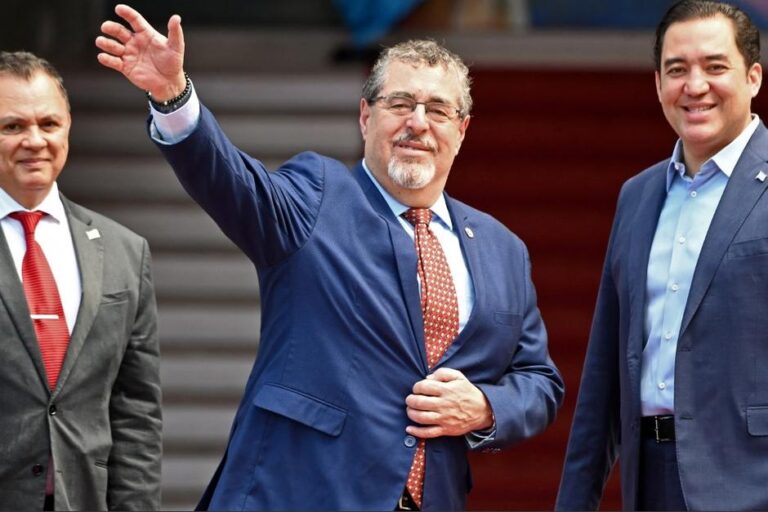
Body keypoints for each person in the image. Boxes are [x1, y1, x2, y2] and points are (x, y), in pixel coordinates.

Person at [96, 4, 563, 510]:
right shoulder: (319, 195)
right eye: (400, 103)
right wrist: (174, 97)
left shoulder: (502, 249)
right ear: (365, 116)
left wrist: (486, 407)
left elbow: (539, 381)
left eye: (437, 109)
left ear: (462, 129)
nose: (417, 123)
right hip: (300, 492)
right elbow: (233, 184)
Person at [557, 1, 768, 510]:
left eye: (714, 67)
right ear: (657, 84)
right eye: (677, 70)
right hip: (650, 480)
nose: (695, 86)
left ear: (753, 78)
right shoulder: (638, 195)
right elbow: (604, 375)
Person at [0, 51, 161, 510]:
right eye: (13, 126)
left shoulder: (126, 251)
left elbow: (136, 412)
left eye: (49, 124)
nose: (34, 140)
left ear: (68, 127)